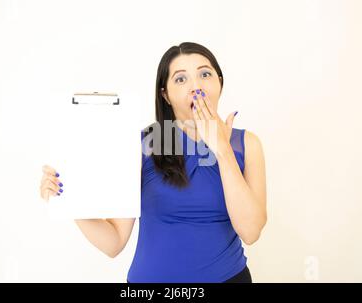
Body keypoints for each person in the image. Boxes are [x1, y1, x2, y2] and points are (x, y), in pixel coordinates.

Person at [40, 42, 267, 283]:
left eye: (205, 74)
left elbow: (251, 232)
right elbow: (114, 242)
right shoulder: (144, 143)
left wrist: (222, 149)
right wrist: (70, 202)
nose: (196, 86)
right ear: (165, 95)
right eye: (181, 79)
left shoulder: (247, 144)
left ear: (219, 83)